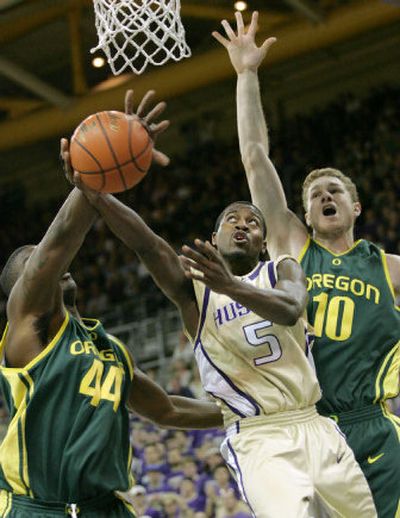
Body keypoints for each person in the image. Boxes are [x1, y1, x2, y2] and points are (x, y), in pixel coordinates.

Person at [64, 148, 376, 516]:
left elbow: (291, 310)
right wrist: (95, 193)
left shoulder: (283, 270)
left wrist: (231, 286)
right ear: (214, 238)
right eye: (232, 219)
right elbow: (146, 243)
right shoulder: (194, 292)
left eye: (252, 222)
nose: (242, 224)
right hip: (258, 436)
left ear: (263, 244)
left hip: (315, 423)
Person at [0, 91, 223, 518]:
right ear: (19, 292)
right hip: (39, 508)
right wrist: (92, 176)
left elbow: (169, 408)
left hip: (107, 508)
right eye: (33, 267)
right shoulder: (29, 330)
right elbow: (57, 245)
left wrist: (241, 411)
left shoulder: (110, 349)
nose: (49, 266)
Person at [213, 10, 400, 517]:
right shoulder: (295, 249)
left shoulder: (390, 269)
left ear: (356, 207)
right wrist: (246, 74)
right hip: (307, 426)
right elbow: (255, 156)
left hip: (373, 423)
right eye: (314, 194)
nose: (323, 196)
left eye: (334, 190)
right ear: (306, 213)